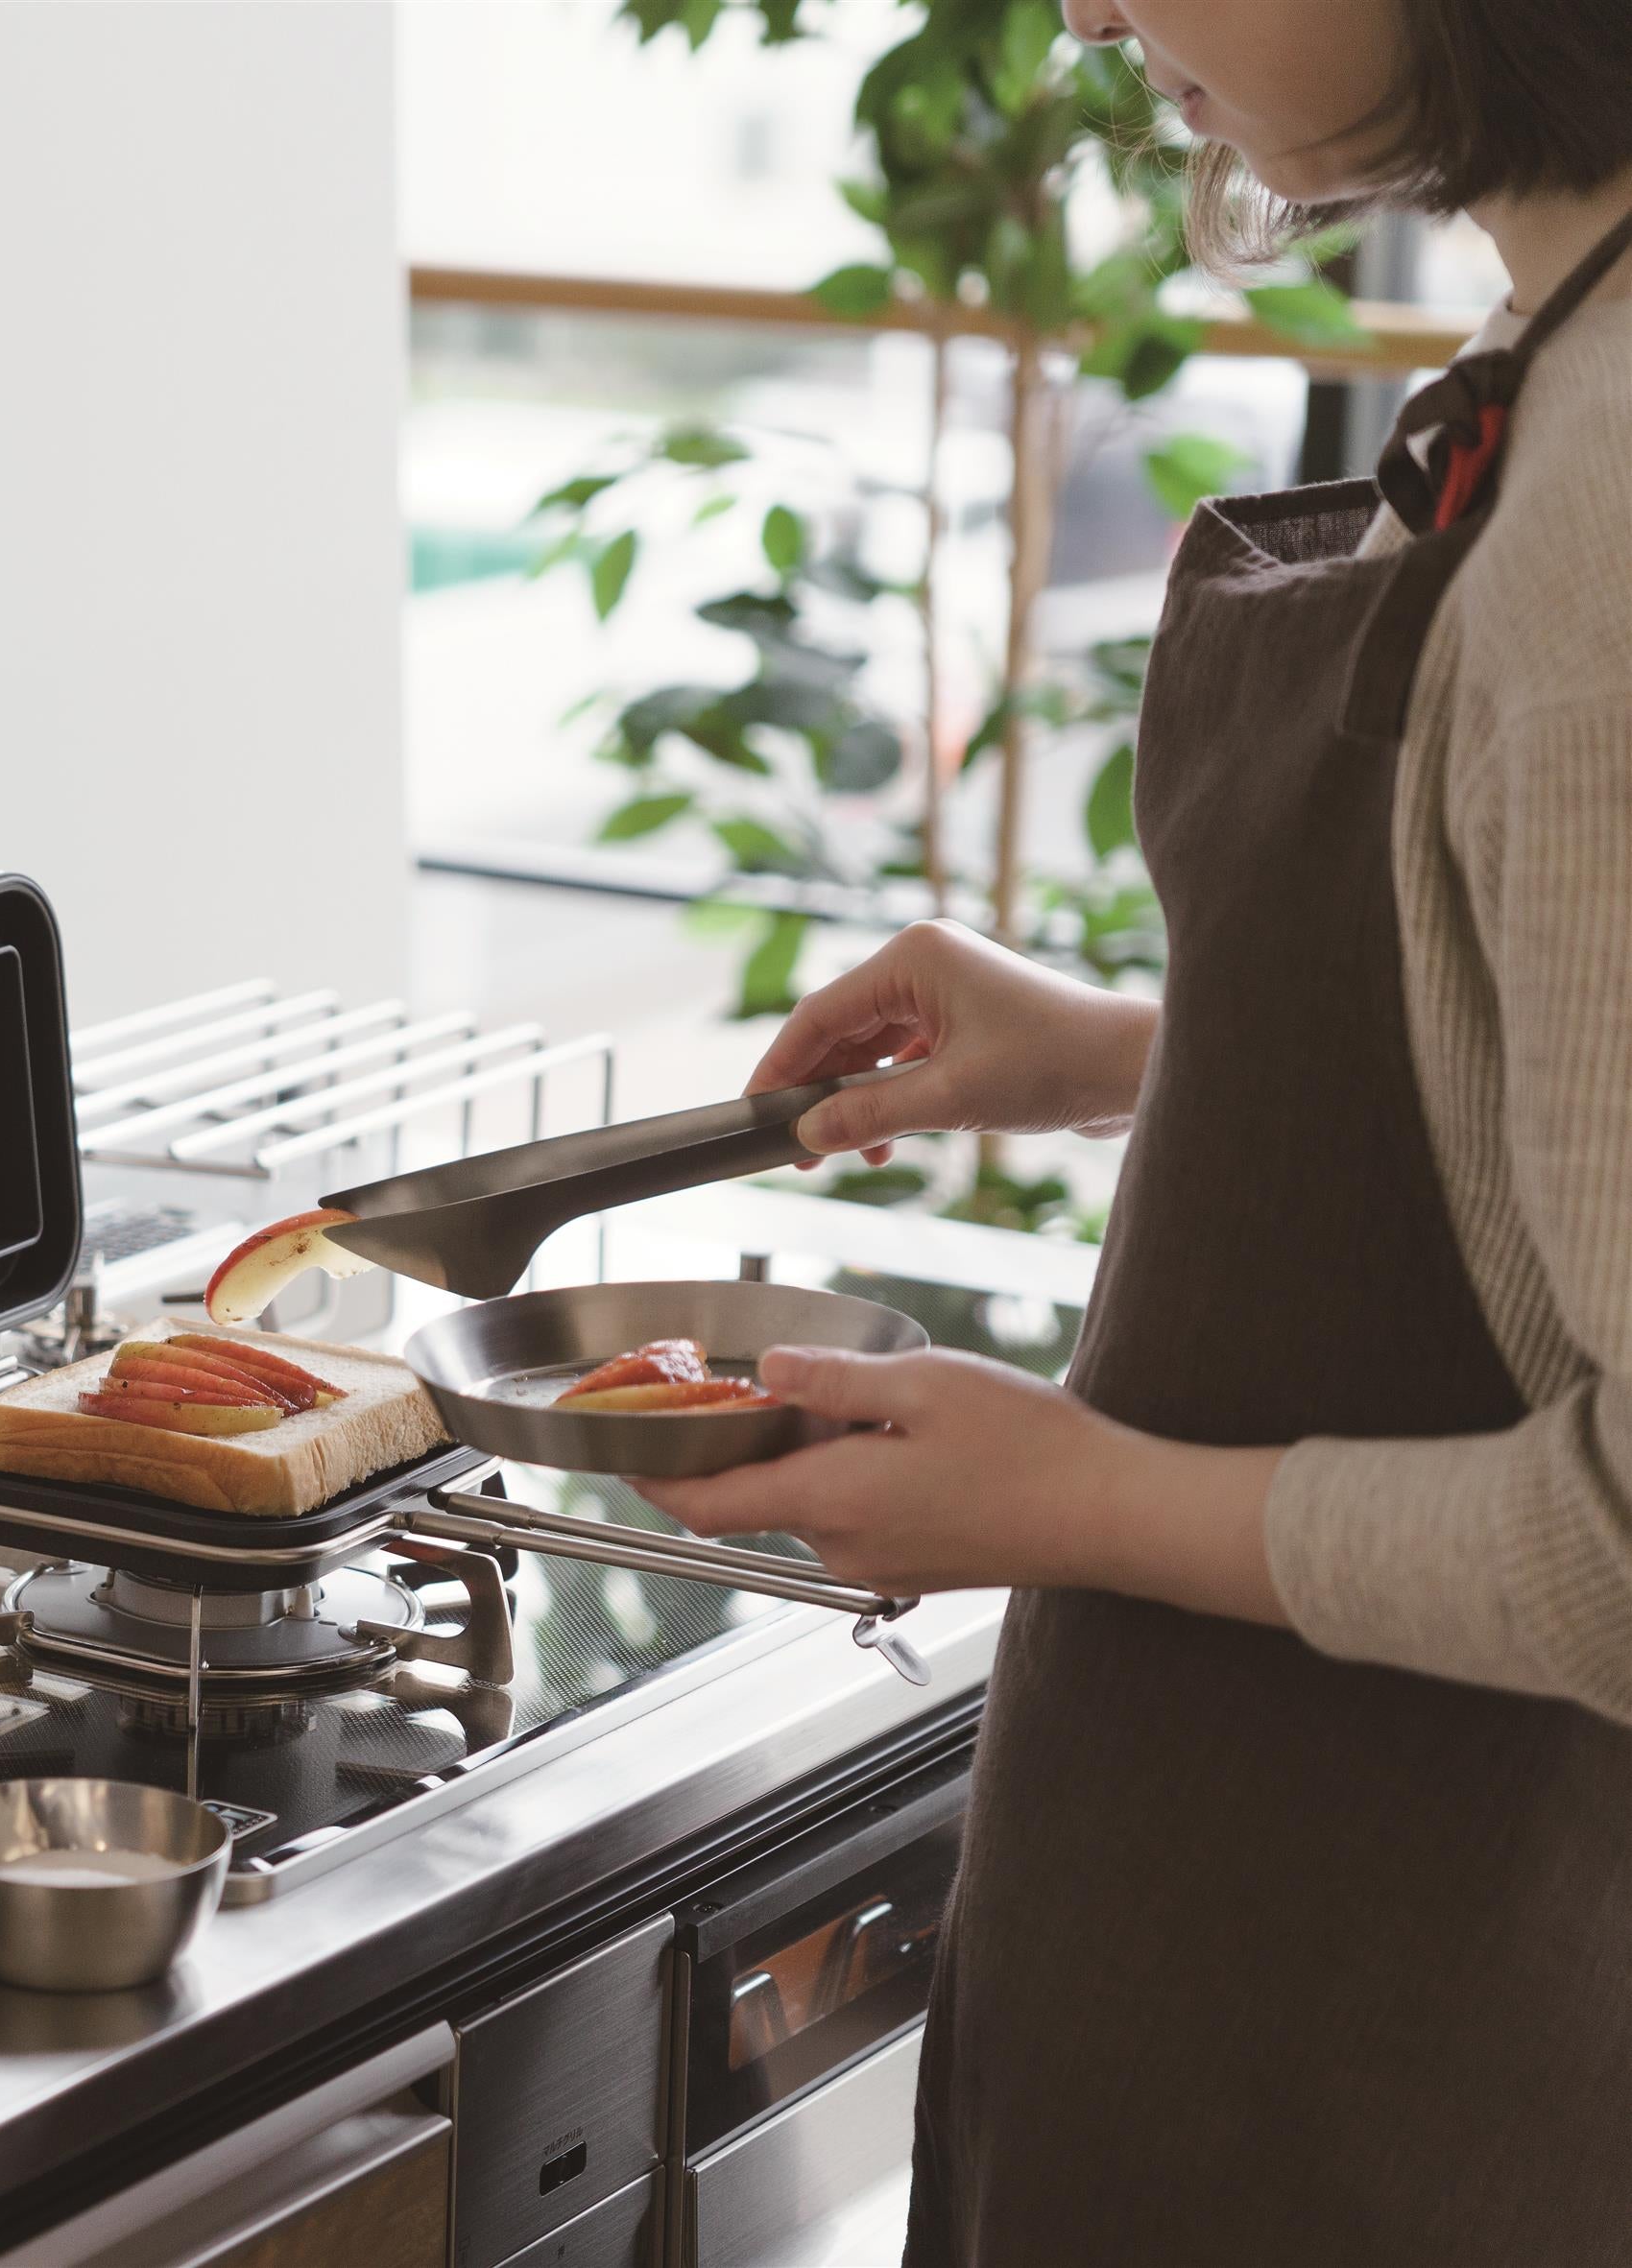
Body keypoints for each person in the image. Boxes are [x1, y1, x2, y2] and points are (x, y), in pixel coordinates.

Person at [631, 2, 1632, 2259]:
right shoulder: (1563, 315)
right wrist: (1117, 1048)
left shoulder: (1610, 535)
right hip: (1252, 1976)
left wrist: (1070, 1495)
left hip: (1376, 2063)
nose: (1081, 7)